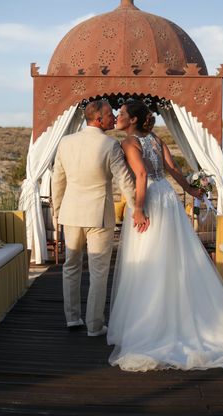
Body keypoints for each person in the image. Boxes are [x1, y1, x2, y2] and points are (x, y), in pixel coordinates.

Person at [107, 99, 223, 371]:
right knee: (174, 256)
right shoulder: (156, 139)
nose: (117, 116)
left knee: (149, 257)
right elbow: (174, 170)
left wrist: (139, 209)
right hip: (167, 196)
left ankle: (152, 322)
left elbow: (141, 175)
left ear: (132, 120)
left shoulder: (129, 143)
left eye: (121, 113)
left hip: (151, 200)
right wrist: (190, 192)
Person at [52, 100, 149, 337]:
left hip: (71, 213)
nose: (114, 116)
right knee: (98, 271)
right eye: (109, 114)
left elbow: (58, 179)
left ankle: (72, 318)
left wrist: (56, 210)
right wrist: (138, 208)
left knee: (71, 266)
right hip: (98, 215)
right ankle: (95, 325)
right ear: (98, 119)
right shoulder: (110, 145)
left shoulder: (65, 142)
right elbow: (125, 181)